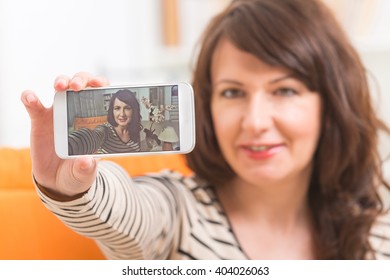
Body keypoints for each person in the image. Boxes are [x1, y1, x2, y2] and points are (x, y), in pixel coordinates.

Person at [21, 0, 390, 259]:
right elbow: (131, 209)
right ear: (208, 105)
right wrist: (74, 188)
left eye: (285, 90)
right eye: (232, 92)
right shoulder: (180, 211)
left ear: (329, 106)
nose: (256, 121)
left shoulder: (375, 232)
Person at [68, 89, 142, 155]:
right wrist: (70, 145)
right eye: (117, 108)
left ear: (134, 110)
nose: (122, 114)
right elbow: (91, 137)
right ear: (112, 111)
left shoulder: (135, 130)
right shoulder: (106, 130)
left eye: (127, 108)